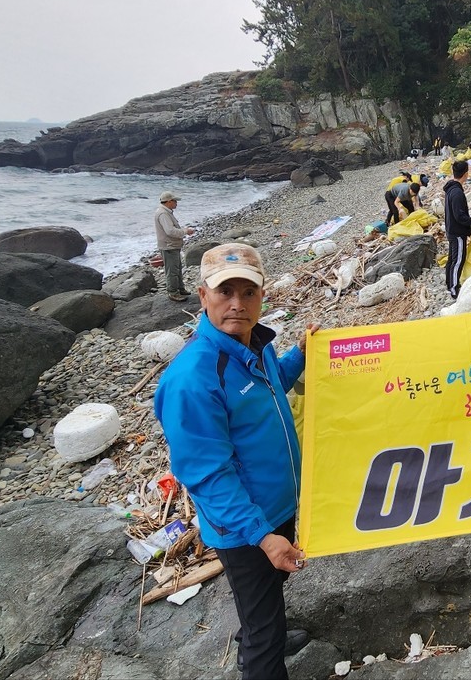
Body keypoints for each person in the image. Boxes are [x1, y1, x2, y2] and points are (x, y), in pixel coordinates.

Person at [154, 243, 319, 680]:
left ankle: (265, 634)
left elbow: (270, 386)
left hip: (277, 507)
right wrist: (263, 537)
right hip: (244, 528)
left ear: (262, 296)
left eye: (249, 293)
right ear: (202, 295)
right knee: (263, 625)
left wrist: (299, 354)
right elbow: (207, 475)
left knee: (269, 595)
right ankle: (259, 652)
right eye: (225, 292)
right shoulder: (193, 378)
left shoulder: (254, 343)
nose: (237, 305)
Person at [155, 191, 196, 301]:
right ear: (169, 202)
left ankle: (180, 288)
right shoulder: (163, 213)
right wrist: (185, 231)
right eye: (175, 201)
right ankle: (173, 292)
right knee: (172, 270)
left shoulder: (166, 212)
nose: (176, 203)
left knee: (177, 268)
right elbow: (170, 231)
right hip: (168, 246)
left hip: (172, 245)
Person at [443, 160, 471, 299]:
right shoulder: (457, 192)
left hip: (451, 230)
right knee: (458, 260)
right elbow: (459, 215)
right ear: (466, 174)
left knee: (452, 259)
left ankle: (450, 283)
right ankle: (454, 288)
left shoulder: (451, 189)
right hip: (457, 232)